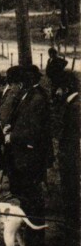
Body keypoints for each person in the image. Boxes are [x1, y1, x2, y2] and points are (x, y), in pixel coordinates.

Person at [7, 65, 53, 246]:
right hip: (27, 156)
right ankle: (30, 236)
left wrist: (13, 135)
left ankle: (35, 241)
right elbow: (24, 123)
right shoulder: (30, 96)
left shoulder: (36, 99)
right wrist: (12, 127)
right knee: (28, 197)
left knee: (32, 197)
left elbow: (33, 129)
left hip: (30, 157)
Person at [52, 72, 80, 227]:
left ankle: (73, 223)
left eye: (58, 88)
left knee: (71, 187)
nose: (56, 92)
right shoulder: (73, 104)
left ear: (67, 88)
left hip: (72, 155)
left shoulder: (75, 106)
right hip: (71, 154)